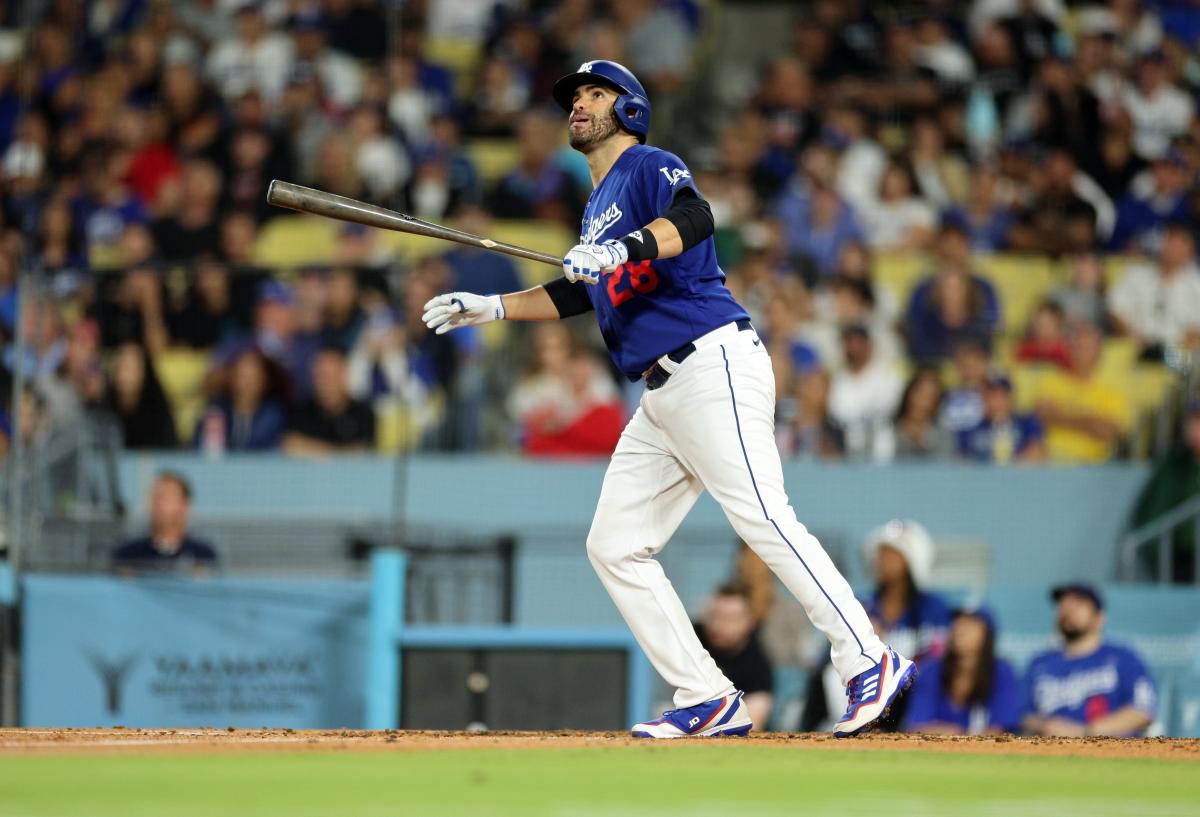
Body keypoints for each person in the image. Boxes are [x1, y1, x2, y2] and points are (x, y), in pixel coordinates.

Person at [421, 60, 914, 739]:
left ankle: (868, 655)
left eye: (596, 93)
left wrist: (619, 249)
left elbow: (697, 216)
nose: (580, 104)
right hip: (661, 396)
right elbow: (579, 291)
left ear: (629, 109)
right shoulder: (595, 207)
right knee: (614, 544)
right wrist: (493, 309)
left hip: (713, 360)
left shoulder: (649, 165)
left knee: (765, 516)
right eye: (576, 96)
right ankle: (707, 694)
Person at [1022, 583, 1157, 737]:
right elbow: (1022, 714)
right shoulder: (1040, 663)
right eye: (1063, 605)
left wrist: (1084, 731)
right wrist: (1045, 725)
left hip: (1112, 750)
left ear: (1099, 617)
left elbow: (1143, 711)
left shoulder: (1122, 658)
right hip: (1054, 751)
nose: (1068, 610)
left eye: (1078, 604)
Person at [905, 608, 1021, 735]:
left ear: (987, 633)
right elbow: (917, 726)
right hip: (936, 750)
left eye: (970, 624)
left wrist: (960, 736)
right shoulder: (932, 669)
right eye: (958, 623)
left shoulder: (1001, 671)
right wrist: (957, 734)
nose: (960, 629)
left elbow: (1002, 729)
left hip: (986, 752)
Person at [1036, 321, 1130, 463]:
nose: (1081, 352)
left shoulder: (1112, 392)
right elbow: (1042, 417)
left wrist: (1060, 416)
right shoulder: (1051, 381)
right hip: (1052, 462)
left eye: (1087, 348)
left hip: (1092, 465)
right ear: (1070, 350)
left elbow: (1106, 432)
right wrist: (1090, 422)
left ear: (1098, 353)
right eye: (1078, 346)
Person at [1127, 401, 1200, 582]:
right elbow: (1151, 511)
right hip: (1180, 557)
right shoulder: (1173, 464)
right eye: (1191, 423)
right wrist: (1154, 551)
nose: (1194, 429)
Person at [693, 583, 775, 731]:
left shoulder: (759, 665)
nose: (718, 625)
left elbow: (752, 723)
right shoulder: (692, 638)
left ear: (750, 622)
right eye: (714, 615)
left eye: (729, 618)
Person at [112, 471, 217, 572]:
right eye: (156, 497)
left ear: (185, 506)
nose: (159, 504)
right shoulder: (128, 554)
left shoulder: (203, 555)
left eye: (167, 498)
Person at [282, 345, 376, 455]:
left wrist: (313, 449)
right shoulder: (299, 413)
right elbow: (291, 445)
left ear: (344, 374)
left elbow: (363, 452)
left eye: (330, 376)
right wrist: (343, 452)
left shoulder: (363, 413)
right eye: (320, 376)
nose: (324, 383)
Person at [958, 374, 1046, 464]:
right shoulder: (969, 427)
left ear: (1011, 399)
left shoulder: (1027, 423)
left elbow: (1036, 454)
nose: (997, 403)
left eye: (1002, 397)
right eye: (991, 396)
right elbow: (962, 461)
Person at [892, 367, 955, 460]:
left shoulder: (944, 435)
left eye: (930, 396)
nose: (923, 402)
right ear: (909, 394)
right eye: (920, 394)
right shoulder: (887, 431)